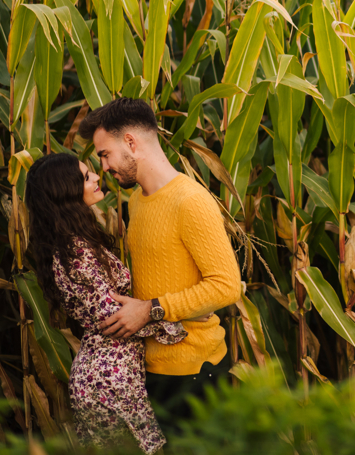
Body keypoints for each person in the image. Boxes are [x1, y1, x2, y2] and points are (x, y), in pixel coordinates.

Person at [78, 97, 244, 427]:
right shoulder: (137, 200)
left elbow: (227, 287)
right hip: (153, 370)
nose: (105, 167)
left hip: (195, 372)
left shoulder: (190, 201)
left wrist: (149, 309)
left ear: (130, 142)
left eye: (105, 154)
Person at [25, 152, 185, 454]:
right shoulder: (77, 252)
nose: (98, 176)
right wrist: (177, 318)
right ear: (66, 193)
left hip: (102, 375)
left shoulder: (71, 243)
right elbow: (116, 319)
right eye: (86, 177)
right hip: (111, 380)